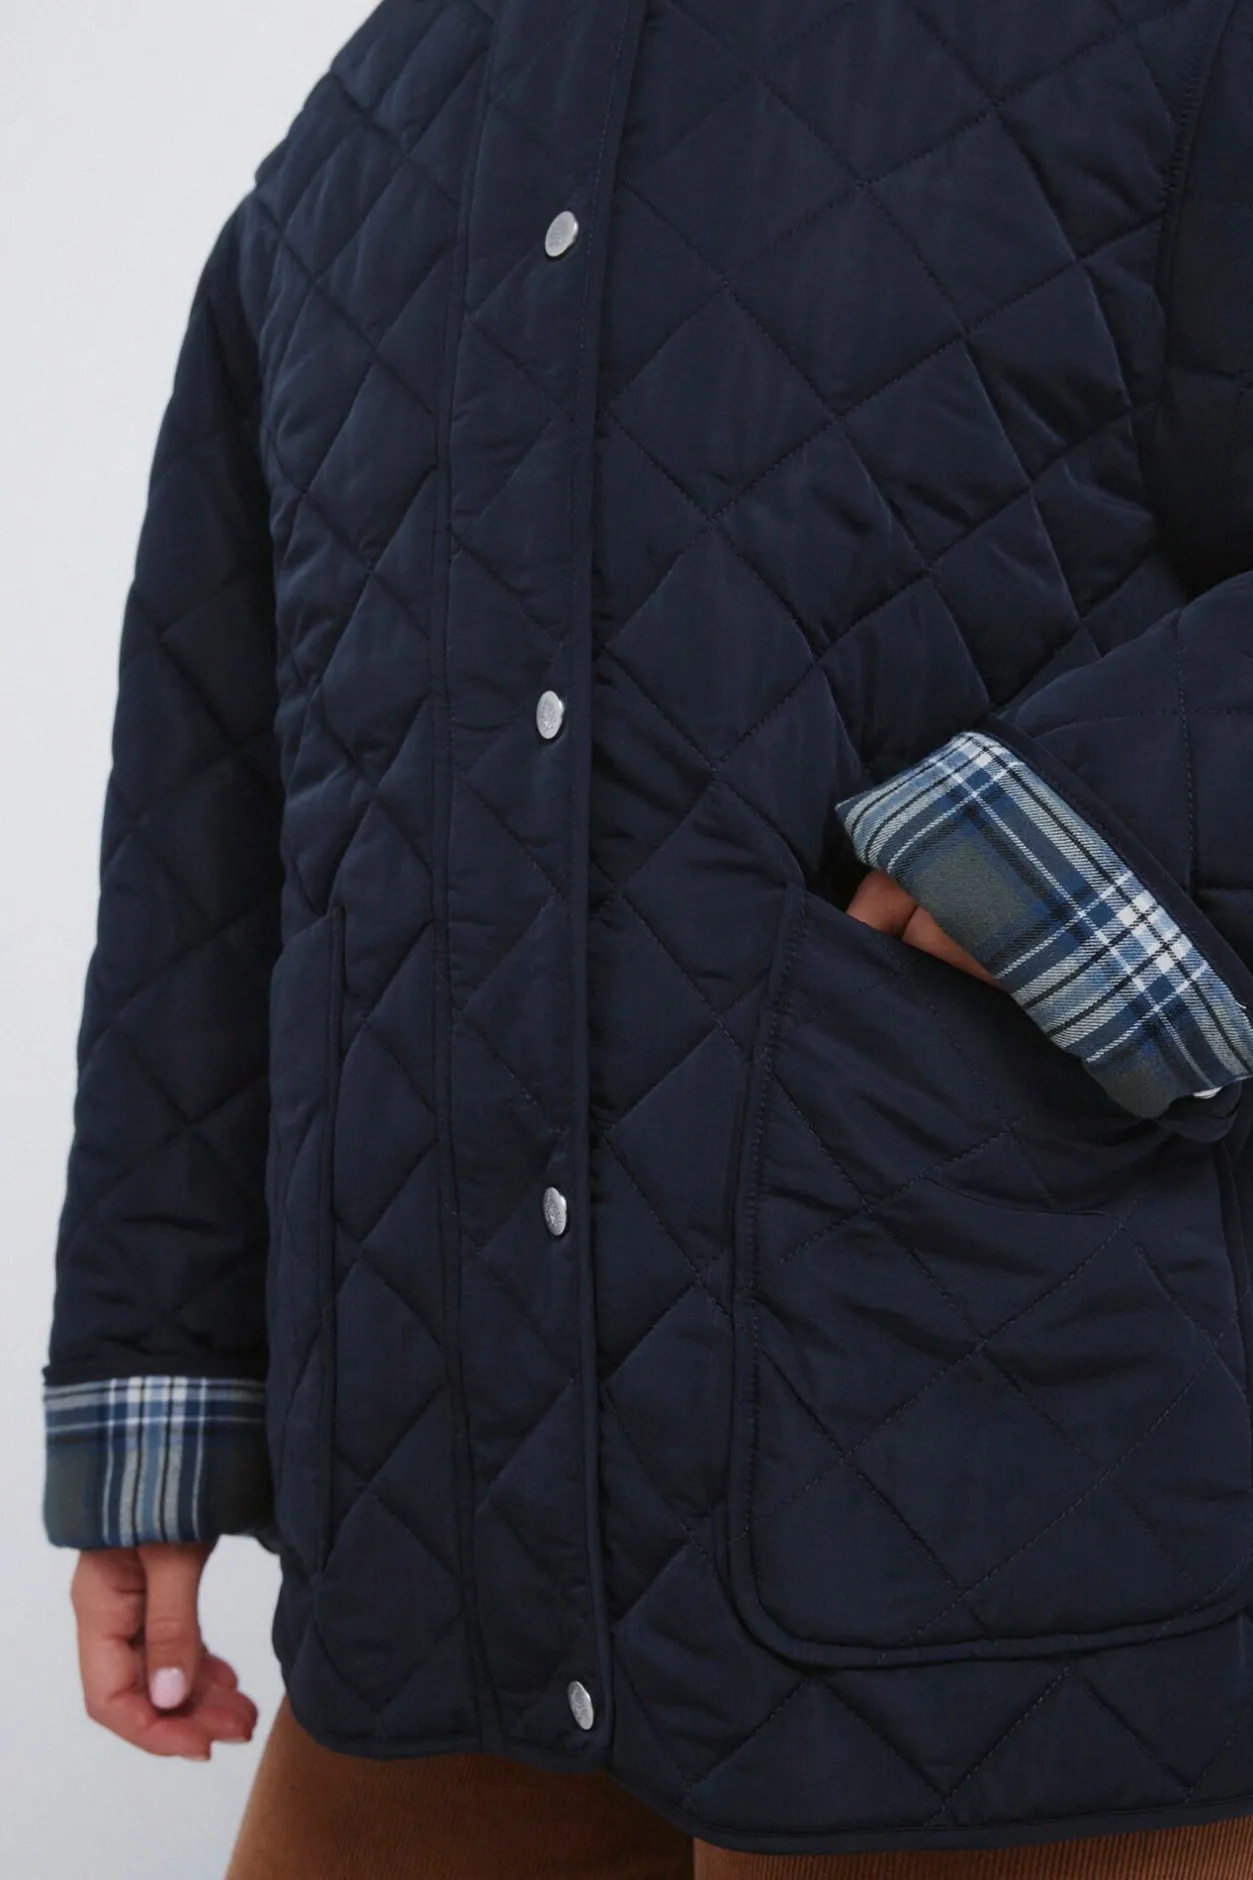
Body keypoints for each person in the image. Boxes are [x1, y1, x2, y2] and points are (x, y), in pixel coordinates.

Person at [40, 0, 1253, 1874]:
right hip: (436, 1542)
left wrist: (1069, 857)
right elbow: (208, 829)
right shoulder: (345, 155)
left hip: (977, 1524)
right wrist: (162, 1399)